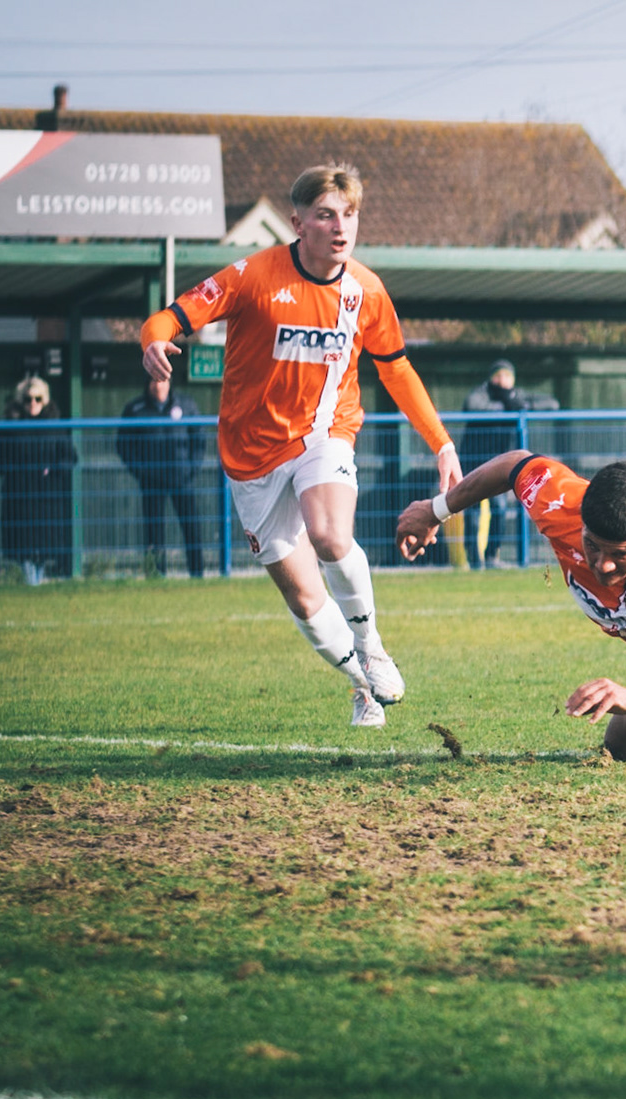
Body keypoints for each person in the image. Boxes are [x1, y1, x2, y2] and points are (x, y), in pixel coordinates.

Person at [139, 163, 462, 727]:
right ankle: (362, 687)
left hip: (324, 432)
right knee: (304, 597)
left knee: (330, 533)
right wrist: (155, 341)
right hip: (250, 455)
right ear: (297, 223)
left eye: (350, 215)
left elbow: (397, 371)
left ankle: (373, 644)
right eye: (326, 215)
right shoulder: (252, 276)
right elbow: (170, 317)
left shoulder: (366, 291)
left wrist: (440, 443)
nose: (341, 227)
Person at [395, 453, 626, 758]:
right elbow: (514, 465)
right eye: (592, 545)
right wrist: (437, 509)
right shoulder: (562, 504)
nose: (602, 564)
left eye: (620, 554)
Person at [455, 359, 556, 568]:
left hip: (498, 465)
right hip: (474, 461)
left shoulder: (515, 395)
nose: (502, 381)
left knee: (499, 508)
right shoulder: (482, 393)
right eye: (498, 376)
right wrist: (508, 406)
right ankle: (474, 561)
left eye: (507, 377)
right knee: (472, 512)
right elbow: (473, 406)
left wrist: (520, 404)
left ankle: (492, 557)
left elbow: (552, 404)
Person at [0, 376, 76, 585]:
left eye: (37, 399)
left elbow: (70, 457)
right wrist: (17, 470)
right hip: (19, 496)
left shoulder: (55, 426)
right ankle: (30, 583)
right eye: (28, 399)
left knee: (44, 545)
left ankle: (38, 580)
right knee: (22, 545)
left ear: (44, 400)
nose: (32, 404)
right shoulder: (10, 427)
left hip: (47, 497)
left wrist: (52, 469)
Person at [115, 375, 206, 578]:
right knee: (154, 530)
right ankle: (156, 574)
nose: (158, 385)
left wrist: (191, 468)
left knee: (191, 526)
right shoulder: (135, 409)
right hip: (152, 481)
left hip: (182, 479)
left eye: (162, 380)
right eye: (153, 381)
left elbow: (199, 439)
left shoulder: (186, 405)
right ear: (147, 384)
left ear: (169, 382)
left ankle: (197, 573)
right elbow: (123, 445)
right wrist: (141, 471)